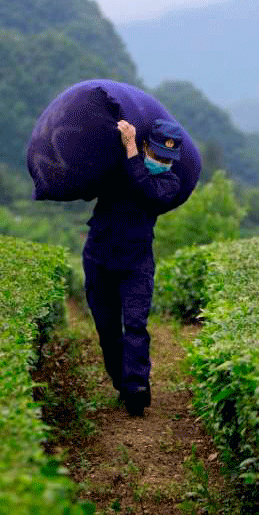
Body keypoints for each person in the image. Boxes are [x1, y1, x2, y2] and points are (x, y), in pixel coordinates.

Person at [83, 117, 184, 416]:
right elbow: (92, 181)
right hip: (99, 257)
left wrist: (130, 151)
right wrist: (123, 148)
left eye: (167, 158)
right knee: (107, 328)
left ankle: (137, 387)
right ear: (144, 146)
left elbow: (145, 191)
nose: (162, 162)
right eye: (156, 155)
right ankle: (122, 383)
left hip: (136, 263)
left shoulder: (169, 183)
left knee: (136, 325)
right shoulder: (118, 167)